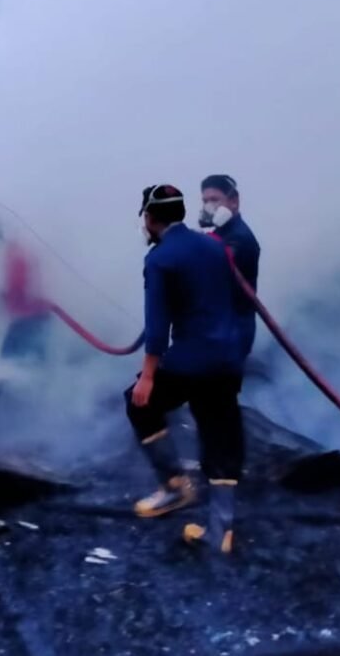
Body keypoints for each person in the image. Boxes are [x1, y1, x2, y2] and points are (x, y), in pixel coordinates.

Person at [125, 184, 245, 554]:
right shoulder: (213, 245)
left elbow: (157, 328)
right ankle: (220, 530)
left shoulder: (160, 259)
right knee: (220, 431)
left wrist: (147, 377)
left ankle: (176, 488)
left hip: (192, 361)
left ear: (149, 218)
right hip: (228, 357)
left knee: (138, 403)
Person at [199, 174, 260, 360]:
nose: (209, 206)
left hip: (231, 337)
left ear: (234, 202)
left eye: (215, 200)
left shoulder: (239, 238)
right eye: (205, 201)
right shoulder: (222, 233)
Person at [0, 222, 51, 362]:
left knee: (8, 355)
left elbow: (22, 288)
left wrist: (4, 296)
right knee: (36, 356)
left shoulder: (17, 255)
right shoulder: (17, 252)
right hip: (34, 315)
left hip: (29, 316)